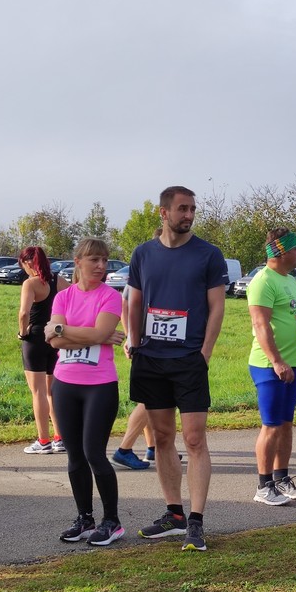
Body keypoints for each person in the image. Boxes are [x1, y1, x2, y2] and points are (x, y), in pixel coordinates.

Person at [128, 186, 228, 552]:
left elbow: (217, 307)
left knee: (195, 439)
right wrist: (134, 342)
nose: (188, 215)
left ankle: (196, 522)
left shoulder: (208, 255)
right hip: (151, 358)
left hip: (189, 360)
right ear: (164, 212)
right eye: (182, 209)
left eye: (192, 209)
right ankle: (174, 514)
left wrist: (204, 353)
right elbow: (134, 301)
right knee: (162, 437)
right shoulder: (143, 254)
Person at [46, 238, 127, 546]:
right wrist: (94, 336)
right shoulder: (63, 297)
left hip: (100, 386)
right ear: (77, 262)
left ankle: (112, 522)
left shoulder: (110, 296)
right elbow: (56, 342)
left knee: (94, 453)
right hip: (65, 383)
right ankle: (84, 518)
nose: (101, 266)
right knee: (75, 455)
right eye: (94, 260)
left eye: (104, 260)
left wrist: (62, 330)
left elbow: (97, 332)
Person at [247, 227, 296, 505]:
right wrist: (276, 361)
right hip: (270, 366)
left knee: (286, 424)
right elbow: (260, 324)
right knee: (271, 425)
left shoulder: (290, 280)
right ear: (281, 251)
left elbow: (293, 316)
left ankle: (282, 478)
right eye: (295, 248)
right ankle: (263, 487)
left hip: (292, 364)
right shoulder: (263, 281)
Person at [17, 246, 70, 454]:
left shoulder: (30, 283)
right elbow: (74, 299)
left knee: (38, 391)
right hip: (55, 337)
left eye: (22, 264)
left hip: (35, 338)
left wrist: (22, 333)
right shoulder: (59, 280)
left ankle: (43, 440)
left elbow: (24, 313)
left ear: (28, 263)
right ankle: (60, 438)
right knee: (52, 391)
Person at [111, 282, 154, 470]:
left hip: (156, 343)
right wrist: (130, 338)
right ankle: (124, 449)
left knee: (152, 397)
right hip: (147, 344)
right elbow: (124, 303)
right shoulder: (143, 268)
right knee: (151, 397)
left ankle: (153, 447)